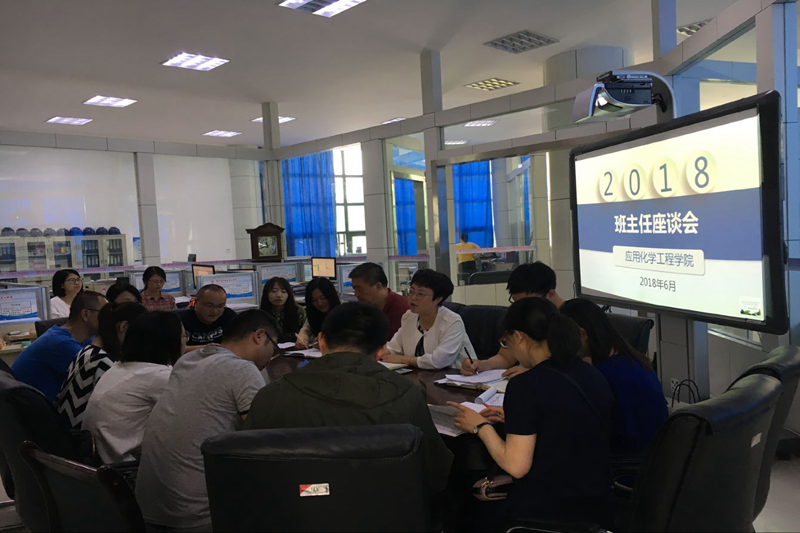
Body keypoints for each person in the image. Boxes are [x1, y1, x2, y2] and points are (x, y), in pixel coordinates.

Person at [246, 302, 453, 495]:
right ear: (381, 350)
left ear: (321, 341)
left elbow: (249, 469)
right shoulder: (406, 394)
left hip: (294, 509)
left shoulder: (271, 394)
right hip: (383, 509)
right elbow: (435, 472)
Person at [449, 298, 614, 526]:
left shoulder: (525, 385)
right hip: (598, 500)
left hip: (549, 508)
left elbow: (516, 466)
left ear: (519, 337)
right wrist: (516, 417)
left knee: (464, 501)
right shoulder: (590, 372)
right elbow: (566, 421)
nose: (508, 348)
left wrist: (480, 427)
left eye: (506, 342)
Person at [135, 310, 280, 531]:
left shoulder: (188, 361)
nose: (271, 357)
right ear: (259, 336)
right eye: (274, 348)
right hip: (195, 517)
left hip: (147, 510)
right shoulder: (242, 369)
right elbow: (264, 440)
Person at [560, 298, 668, 455]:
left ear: (582, 334)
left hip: (627, 460)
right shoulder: (632, 360)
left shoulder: (603, 376)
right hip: (655, 455)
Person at [83, 312, 186, 463]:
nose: (186, 341)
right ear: (170, 342)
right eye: (184, 336)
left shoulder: (120, 366)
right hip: (123, 464)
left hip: (101, 457)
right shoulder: (157, 376)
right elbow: (194, 412)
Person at [461, 261, 566, 377]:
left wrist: (535, 372)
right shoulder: (520, 315)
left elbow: (575, 365)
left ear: (550, 295)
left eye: (527, 304)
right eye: (516, 303)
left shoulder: (573, 316)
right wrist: (483, 365)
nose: (521, 310)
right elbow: (506, 357)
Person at [56, 302, 147, 429]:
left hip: (68, 429)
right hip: (84, 435)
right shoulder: (102, 362)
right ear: (123, 327)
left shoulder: (88, 351)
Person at [12, 291, 107, 401]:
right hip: (41, 408)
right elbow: (103, 374)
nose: (109, 319)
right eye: (105, 314)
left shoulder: (82, 337)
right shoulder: (61, 343)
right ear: (86, 314)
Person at [381, 269, 475, 370]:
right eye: (411, 291)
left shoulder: (452, 321)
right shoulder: (409, 317)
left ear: (438, 299)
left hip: (454, 376)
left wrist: (406, 359)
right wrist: (379, 353)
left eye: (420, 294)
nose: (413, 297)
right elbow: (394, 347)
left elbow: (439, 361)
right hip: (420, 375)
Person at [349, 262, 409, 340]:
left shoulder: (402, 310)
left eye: (359, 290)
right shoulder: (365, 307)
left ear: (378, 286)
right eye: (354, 290)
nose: (356, 294)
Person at [181, 284, 236, 350]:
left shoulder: (229, 316)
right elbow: (176, 350)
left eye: (220, 306)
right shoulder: (182, 320)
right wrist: (206, 348)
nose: (215, 311)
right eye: (209, 306)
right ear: (196, 302)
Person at [295, 277, 341, 348]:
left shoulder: (343, 312)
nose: (319, 303)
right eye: (314, 300)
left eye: (323, 298)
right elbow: (306, 330)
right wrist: (303, 339)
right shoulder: (315, 313)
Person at [259, 277, 306, 343]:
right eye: (274, 291)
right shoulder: (261, 314)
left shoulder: (298, 311)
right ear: (266, 294)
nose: (279, 295)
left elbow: (306, 332)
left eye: (283, 291)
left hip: (295, 346)